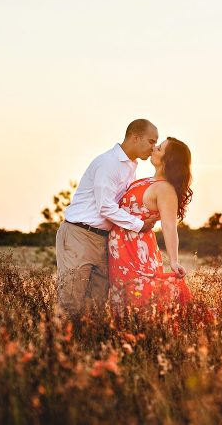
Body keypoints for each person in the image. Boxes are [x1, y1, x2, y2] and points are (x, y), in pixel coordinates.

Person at [55, 119, 159, 316]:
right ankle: (57, 346)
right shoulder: (109, 163)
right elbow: (105, 207)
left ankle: (85, 346)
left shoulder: (131, 166)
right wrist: (139, 225)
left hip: (103, 239)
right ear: (135, 138)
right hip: (80, 234)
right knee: (70, 301)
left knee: (96, 306)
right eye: (151, 141)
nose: (153, 148)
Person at [108, 137, 195, 313]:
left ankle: (153, 337)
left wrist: (174, 260)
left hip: (136, 251)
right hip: (119, 250)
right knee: (120, 302)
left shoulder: (165, 189)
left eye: (160, 148)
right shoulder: (144, 181)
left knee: (139, 300)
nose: (154, 148)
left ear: (168, 160)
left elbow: (169, 226)